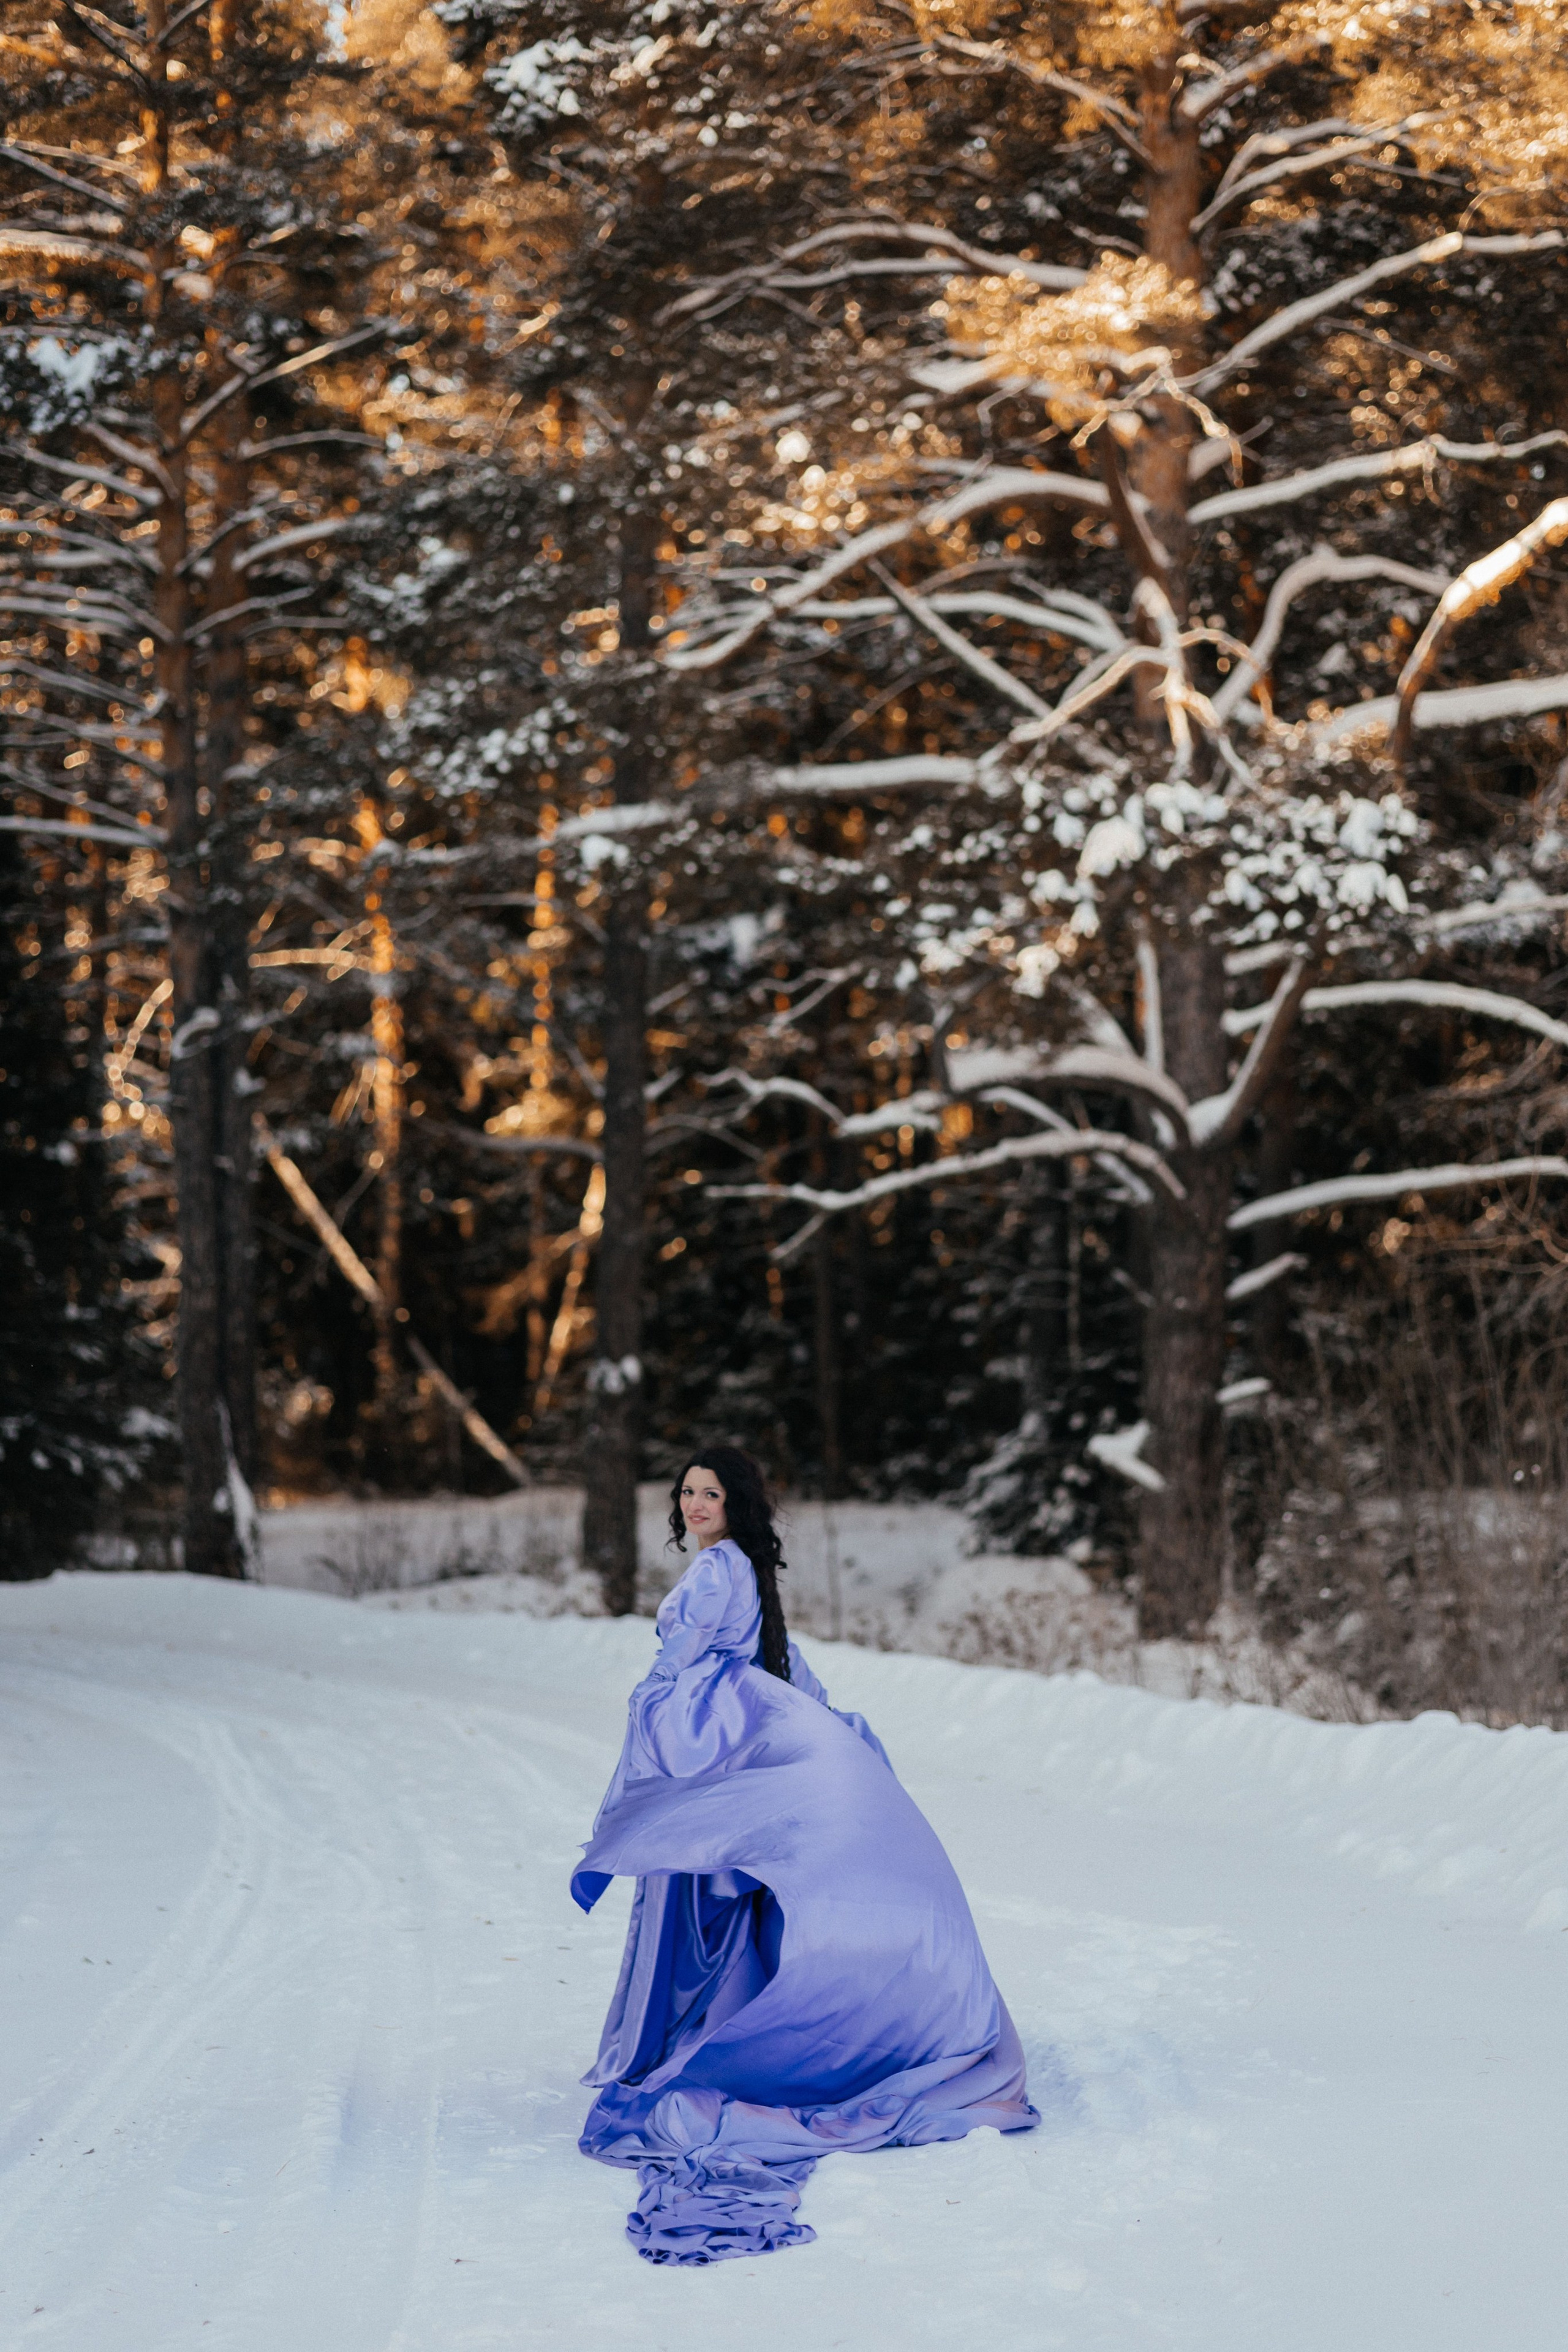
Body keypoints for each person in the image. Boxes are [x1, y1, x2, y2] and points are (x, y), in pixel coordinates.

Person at [571, 1444, 1038, 2265]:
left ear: (737, 1501)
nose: (695, 1504)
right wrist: (821, 1725)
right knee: (742, 1890)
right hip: (747, 1721)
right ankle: (746, 2017)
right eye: (686, 1492)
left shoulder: (719, 1573)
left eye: (710, 1493)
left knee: (713, 1877)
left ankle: (721, 2031)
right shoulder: (745, 1567)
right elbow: (780, 1664)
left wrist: (654, 1734)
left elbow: (680, 1667)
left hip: (721, 1729)